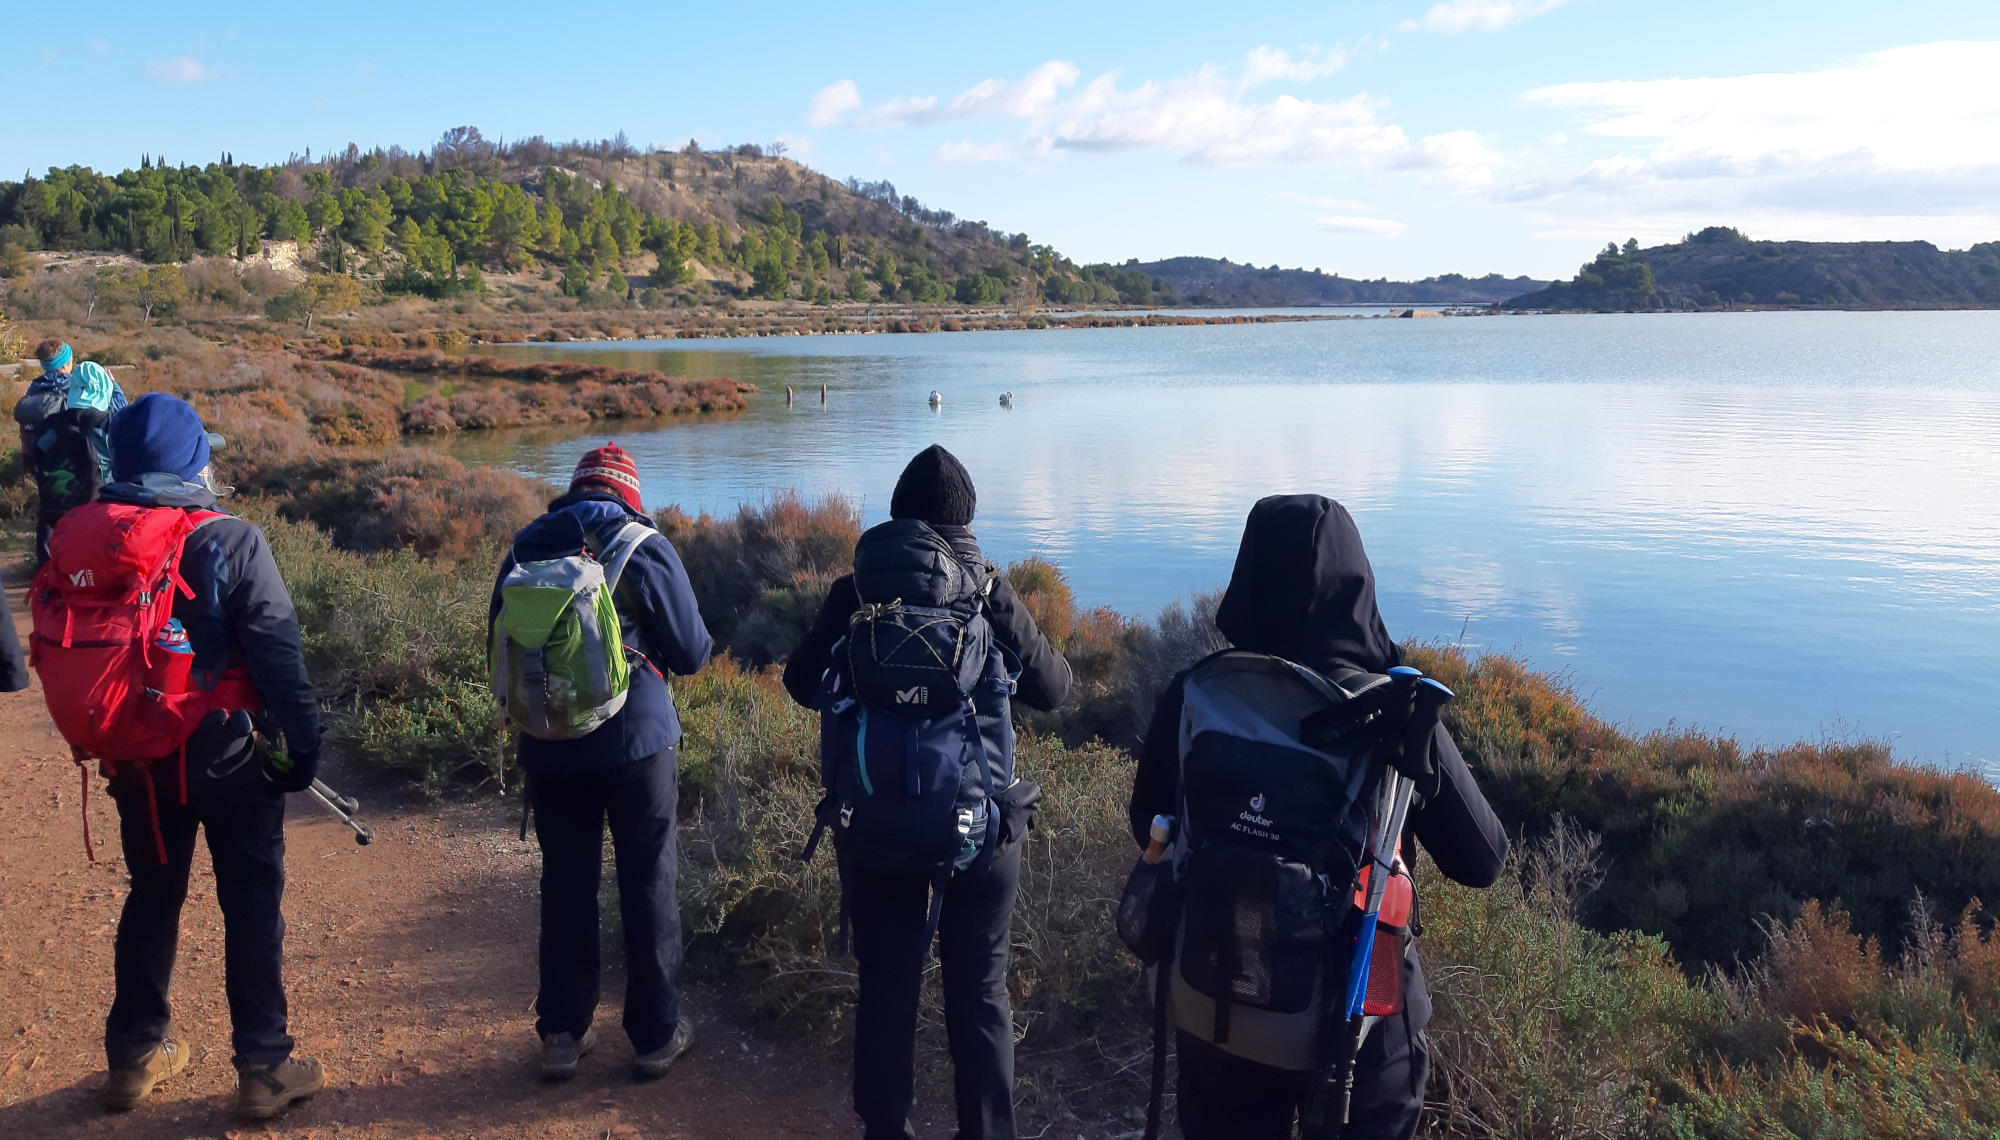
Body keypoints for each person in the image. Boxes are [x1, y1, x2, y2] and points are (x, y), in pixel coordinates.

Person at [1126, 495, 1509, 1140]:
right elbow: (1483, 860)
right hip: (1360, 1018)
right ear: (1357, 586)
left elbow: (1149, 822)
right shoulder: (1392, 705)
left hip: (1219, 1000)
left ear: (1247, 576)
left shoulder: (1197, 692)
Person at [782, 444, 1074, 1140]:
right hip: (980, 833)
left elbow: (799, 683)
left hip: (874, 827)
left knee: (886, 986)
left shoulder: (855, 592)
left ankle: (886, 1129)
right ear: (966, 520)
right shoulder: (988, 591)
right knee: (980, 991)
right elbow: (1055, 689)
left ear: (896, 518)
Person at [78, 394, 327, 1118]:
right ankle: (264, 1066)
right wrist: (304, 748)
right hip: (229, 757)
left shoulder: (91, 536)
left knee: (152, 894)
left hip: (137, 757)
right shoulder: (232, 539)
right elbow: (279, 658)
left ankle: (133, 1056)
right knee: (250, 903)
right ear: (192, 461)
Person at [489, 442, 713, 1081]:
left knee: (565, 881)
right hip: (635, 742)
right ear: (627, 495)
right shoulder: (644, 546)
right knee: (648, 880)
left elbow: (498, 646)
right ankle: (655, 1036)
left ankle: (563, 1034)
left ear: (577, 489)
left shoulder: (525, 548)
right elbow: (692, 652)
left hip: (549, 738)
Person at [15, 339, 128, 564]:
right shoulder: (78, 392)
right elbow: (121, 414)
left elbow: (39, 447)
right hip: (93, 477)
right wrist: (114, 388)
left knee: (51, 508)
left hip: (54, 468)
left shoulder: (35, 389)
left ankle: (47, 564)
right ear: (66, 362)